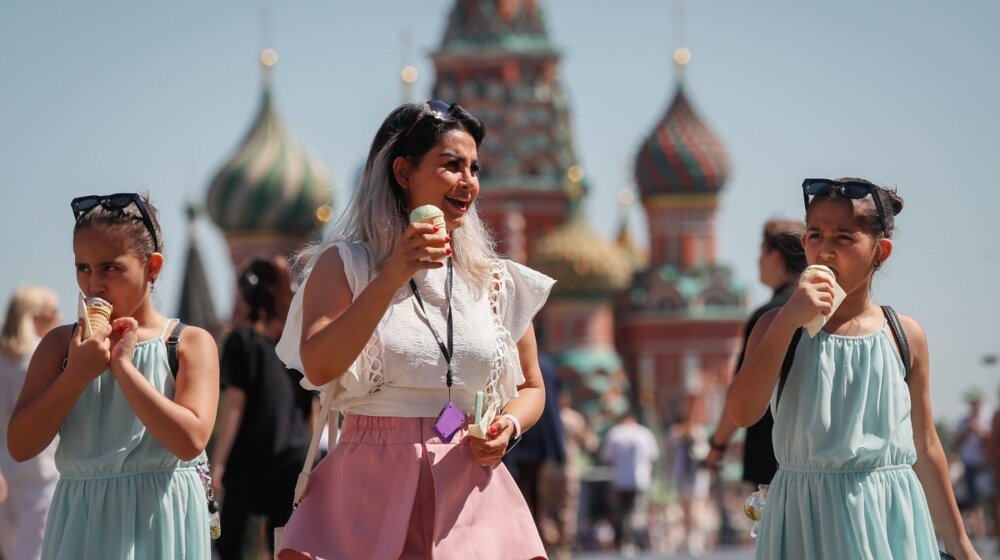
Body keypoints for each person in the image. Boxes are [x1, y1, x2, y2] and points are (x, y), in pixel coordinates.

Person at [273, 100, 554, 559]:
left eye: (474, 169)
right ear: (403, 172)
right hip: (369, 488)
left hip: (469, 491)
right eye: (452, 165)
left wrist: (508, 425)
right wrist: (392, 275)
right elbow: (319, 366)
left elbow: (532, 387)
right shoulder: (345, 266)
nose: (468, 181)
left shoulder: (493, 279)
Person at [727, 178, 979, 559]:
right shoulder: (776, 327)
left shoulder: (904, 335)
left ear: (880, 251)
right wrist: (787, 320)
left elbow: (926, 446)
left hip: (887, 520)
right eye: (815, 236)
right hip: (805, 521)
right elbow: (742, 412)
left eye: (843, 238)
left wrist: (961, 545)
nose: (825, 251)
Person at [7, 193, 219, 559]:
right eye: (83, 268)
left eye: (110, 268)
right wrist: (76, 376)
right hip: (82, 525)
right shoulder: (60, 346)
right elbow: (20, 445)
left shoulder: (188, 343)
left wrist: (123, 369)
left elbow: (190, 441)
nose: (94, 285)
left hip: (160, 524)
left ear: (152, 267)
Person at [211, 256, 314, 559]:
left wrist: (218, 463)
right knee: (283, 545)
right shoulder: (294, 346)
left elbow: (235, 405)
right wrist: (311, 463)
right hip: (294, 456)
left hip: (251, 458)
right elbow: (311, 408)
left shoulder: (241, 341)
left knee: (228, 544)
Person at [706, 219, 807, 486]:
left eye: (761, 252)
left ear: (775, 257)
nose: (758, 261)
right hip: (813, 455)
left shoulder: (768, 316)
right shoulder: (825, 312)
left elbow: (742, 389)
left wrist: (718, 445)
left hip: (771, 455)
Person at [0, 285, 62, 560]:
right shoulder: (42, 356)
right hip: (41, 471)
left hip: (6, 471)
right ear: (35, 317)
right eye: (52, 312)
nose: (59, 319)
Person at [599, 411, 659, 554]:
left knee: (622, 511)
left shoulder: (615, 433)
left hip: (620, 479)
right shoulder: (643, 433)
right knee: (637, 511)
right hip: (639, 479)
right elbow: (653, 455)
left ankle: (624, 541)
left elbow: (606, 456)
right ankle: (636, 541)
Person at [954, 387, 990, 541]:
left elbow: (991, 441)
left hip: (984, 467)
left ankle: (981, 535)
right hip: (968, 466)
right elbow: (956, 444)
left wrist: (979, 431)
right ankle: (972, 536)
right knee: (969, 502)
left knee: (981, 502)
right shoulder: (963, 422)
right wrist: (968, 431)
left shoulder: (987, 419)